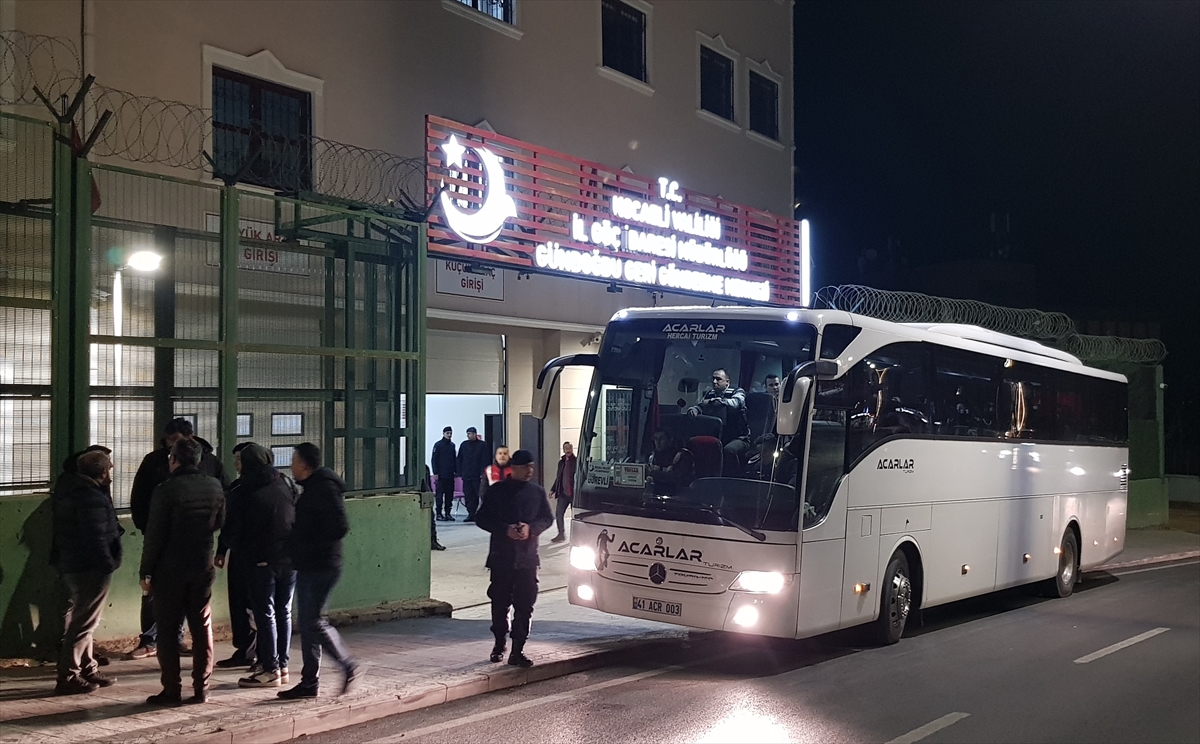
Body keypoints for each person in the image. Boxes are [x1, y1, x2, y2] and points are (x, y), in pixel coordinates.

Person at [128, 418, 228, 659]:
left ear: (189, 438)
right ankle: (152, 639)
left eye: (176, 441)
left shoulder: (210, 463)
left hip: (192, 544)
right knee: (158, 593)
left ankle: (175, 641)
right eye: (169, 441)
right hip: (180, 542)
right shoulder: (155, 462)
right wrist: (146, 525)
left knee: (179, 593)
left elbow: (224, 500)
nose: (171, 447)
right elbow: (139, 497)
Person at [140, 438, 226, 706]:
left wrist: (146, 571)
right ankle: (201, 688)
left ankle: (172, 689)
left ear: (173, 459)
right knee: (201, 627)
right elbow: (220, 521)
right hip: (202, 564)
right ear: (198, 460)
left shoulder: (165, 490)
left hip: (170, 568)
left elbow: (154, 535)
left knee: (167, 631)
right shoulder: (215, 486)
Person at [278, 443, 360, 699]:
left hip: (320, 565)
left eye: (294, 460)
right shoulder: (314, 487)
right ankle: (309, 682)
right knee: (308, 623)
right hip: (312, 564)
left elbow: (339, 526)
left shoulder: (323, 489)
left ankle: (346, 665)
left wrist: (309, 547)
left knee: (312, 622)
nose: (291, 466)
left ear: (304, 464)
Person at [50, 447, 122, 695]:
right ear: (101, 473)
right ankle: (69, 675)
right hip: (90, 568)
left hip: (73, 564)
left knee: (84, 619)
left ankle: (87, 668)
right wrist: (108, 563)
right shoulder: (90, 497)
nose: (111, 473)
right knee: (84, 623)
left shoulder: (71, 489)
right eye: (109, 469)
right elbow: (95, 537)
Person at [474, 449, 553, 669]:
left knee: (525, 604)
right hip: (502, 556)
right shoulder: (497, 491)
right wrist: (505, 529)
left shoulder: (536, 492)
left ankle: (518, 649)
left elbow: (547, 518)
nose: (529, 471)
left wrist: (531, 529)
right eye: (524, 467)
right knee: (500, 602)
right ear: (514, 468)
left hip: (528, 558)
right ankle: (499, 644)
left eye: (531, 467)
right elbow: (482, 518)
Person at [236, 444, 298, 689]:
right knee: (284, 611)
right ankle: (282, 666)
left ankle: (270, 668)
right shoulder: (285, 482)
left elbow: (237, 526)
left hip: (261, 558)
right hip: (289, 557)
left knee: (265, 613)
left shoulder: (245, 488)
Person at [213, 442, 257, 670]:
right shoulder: (237, 488)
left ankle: (257, 651)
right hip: (239, 552)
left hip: (255, 554)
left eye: (240, 460)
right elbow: (228, 522)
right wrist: (222, 549)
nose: (237, 465)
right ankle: (245, 649)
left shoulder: (262, 487)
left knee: (253, 604)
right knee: (238, 603)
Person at [687, 368, 751, 475]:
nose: (714, 382)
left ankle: (733, 478)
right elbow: (701, 405)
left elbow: (737, 403)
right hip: (718, 436)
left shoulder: (737, 391)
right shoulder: (710, 394)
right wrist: (694, 409)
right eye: (713, 379)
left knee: (729, 450)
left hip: (739, 438)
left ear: (727, 382)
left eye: (718, 379)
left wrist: (719, 402)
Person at [456, 427, 489, 522]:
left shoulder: (482, 445)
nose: (468, 436)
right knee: (468, 495)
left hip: (477, 475)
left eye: (470, 434)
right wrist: (459, 472)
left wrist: (483, 473)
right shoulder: (464, 445)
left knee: (479, 494)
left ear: (475, 434)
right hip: (466, 475)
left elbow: (485, 459)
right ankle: (471, 513)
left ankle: (482, 514)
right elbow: (460, 459)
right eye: (467, 434)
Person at [648, 430, 694, 494]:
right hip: (656, 493)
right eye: (656, 439)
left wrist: (653, 473)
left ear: (670, 440)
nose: (658, 442)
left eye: (661, 439)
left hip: (678, 495)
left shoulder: (683, 455)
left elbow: (678, 478)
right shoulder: (653, 456)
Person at [548, 442, 577, 543]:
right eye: (566, 448)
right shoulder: (561, 463)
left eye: (569, 448)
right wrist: (553, 489)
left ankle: (576, 536)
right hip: (563, 493)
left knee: (576, 516)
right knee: (559, 514)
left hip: (574, 494)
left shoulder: (577, 462)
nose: (568, 450)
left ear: (572, 449)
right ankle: (561, 534)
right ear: (563, 450)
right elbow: (558, 478)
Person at [431, 426, 457, 521]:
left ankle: (448, 513)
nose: (449, 435)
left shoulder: (452, 445)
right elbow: (434, 459)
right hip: (441, 475)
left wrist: (456, 471)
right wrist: (435, 472)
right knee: (439, 496)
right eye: (447, 433)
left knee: (449, 496)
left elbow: (454, 459)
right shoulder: (438, 445)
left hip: (450, 475)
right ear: (443, 434)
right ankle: (438, 513)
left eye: (450, 433)